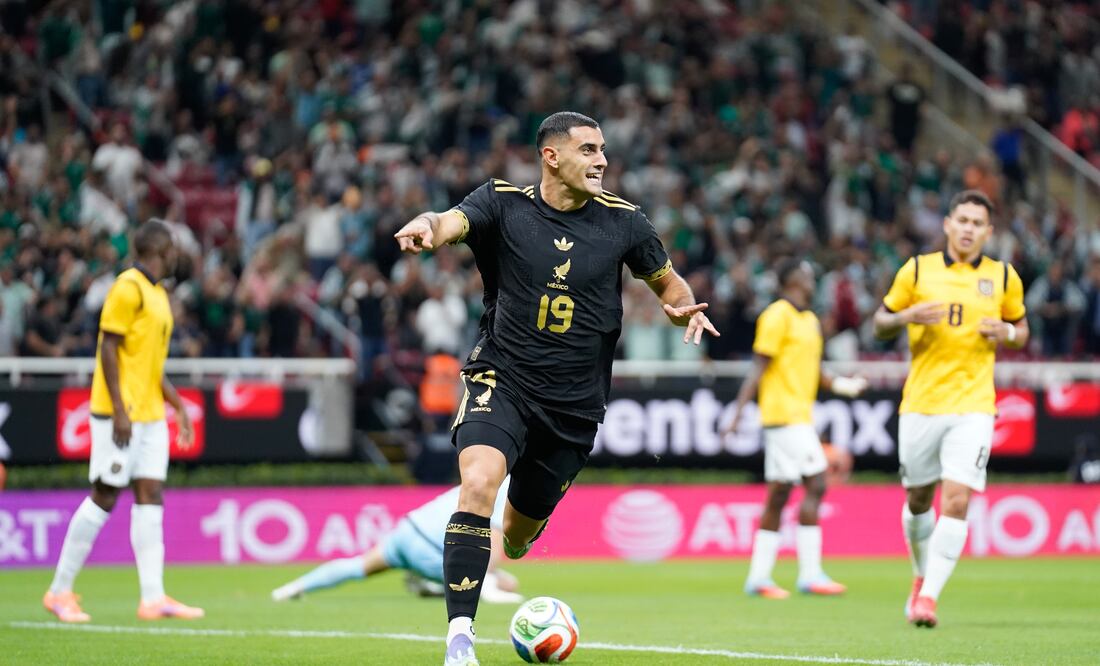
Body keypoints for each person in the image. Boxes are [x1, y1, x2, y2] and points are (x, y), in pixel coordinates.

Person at [393, 111, 719, 666]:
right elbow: (448, 221)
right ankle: (460, 641)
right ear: (552, 156)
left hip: (573, 406)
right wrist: (426, 226)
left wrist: (680, 305)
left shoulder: (625, 222)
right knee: (478, 483)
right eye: (589, 150)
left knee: (518, 537)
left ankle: (512, 539)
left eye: (602, 150)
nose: (602, 161)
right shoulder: (502, 204)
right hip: (503, 377)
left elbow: (669, 284)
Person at [872, 190, 1028, 628]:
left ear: (988, 232)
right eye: (962, 220)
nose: (968, 229)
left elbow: (1022, 329)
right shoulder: (917, 269)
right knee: (919, 500)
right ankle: (920, 576)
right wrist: (905, 317)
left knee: (957, 499)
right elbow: (879, 323)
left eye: (977, 223)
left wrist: (1007, 333)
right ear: (947, 224)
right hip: (922, 403)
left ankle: (929, 599)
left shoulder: (1003, 276)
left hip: (974, 404)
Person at [43, 220, 204, 623]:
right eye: (172, 248)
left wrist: (178, 406)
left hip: (150, 413)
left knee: (151, 495)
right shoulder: (127, 288)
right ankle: (59, 591)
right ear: (159, 249)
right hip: (121, 412)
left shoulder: (158, 293)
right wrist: (118, 408)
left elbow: (149, 363)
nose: (176, 256)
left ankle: (153, 598)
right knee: (105, 493)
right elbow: (108, 349)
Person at [725, 259, 867, 600]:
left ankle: (759, 577)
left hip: (798, 415)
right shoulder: (777, 315)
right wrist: (738, 411)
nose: (811, 278)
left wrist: (844, 386)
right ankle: (810, 573)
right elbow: (759, 366)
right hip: (784, 415)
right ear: (792, 280)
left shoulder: (809, 320)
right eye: (806, 274)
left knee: (779, 493)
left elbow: (814, 369)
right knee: (817, 483)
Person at [271, 477, 522, 605]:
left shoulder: (486, 476)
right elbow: (492, 544)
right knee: (501, 583)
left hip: (407, 530)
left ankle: (293, 588)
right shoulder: (509, 489)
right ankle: (431, 581)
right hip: (429, 548)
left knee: (358, 566)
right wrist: (489, 578)